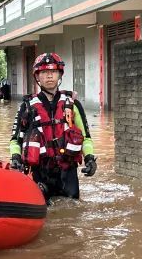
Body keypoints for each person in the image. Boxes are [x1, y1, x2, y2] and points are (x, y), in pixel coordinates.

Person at [9, 52, 98, 200]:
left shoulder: (73, 104)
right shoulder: (27, 107)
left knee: (71, 214)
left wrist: (89, 159)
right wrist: (16, 158)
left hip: (68, 172)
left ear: (60, 74)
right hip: (40, 172)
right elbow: (15, 140)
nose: (49, 76)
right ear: (37, 77)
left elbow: (86, 137)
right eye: (44, 72)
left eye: (53, 71)